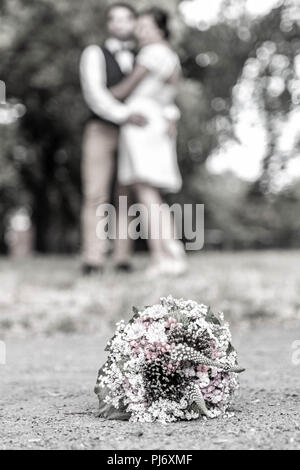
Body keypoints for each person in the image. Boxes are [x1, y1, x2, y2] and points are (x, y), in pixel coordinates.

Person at [110, 8, 187, 277]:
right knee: (152, 193)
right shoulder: (172, 57)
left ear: (159, 29)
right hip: (157, 120)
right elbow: (170, 97)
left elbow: (125, 89)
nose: (138, 31)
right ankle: (172, 251)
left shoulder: (151, 53)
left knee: (145, 192)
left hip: (140, 122)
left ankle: (160, 258)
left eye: (144, 26)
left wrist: (100, 97)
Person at [80, 2, 146, 276]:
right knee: (95, 193)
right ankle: (93, 259)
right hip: (101, 129)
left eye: (125, 19)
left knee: (125, 196)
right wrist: (124, 114)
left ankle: (122, 258)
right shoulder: (94, 53)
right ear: (109, 24)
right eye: (114, 19)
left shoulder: (142, 55)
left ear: (133, 23)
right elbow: (94, 94)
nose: (120, 24)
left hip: (133, 134)